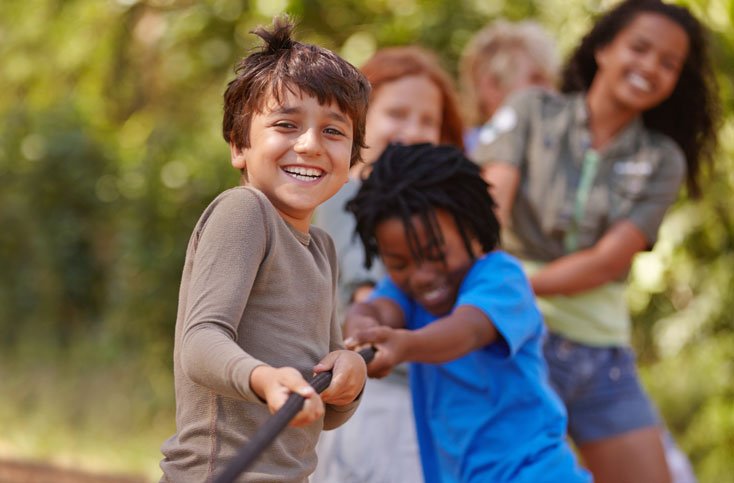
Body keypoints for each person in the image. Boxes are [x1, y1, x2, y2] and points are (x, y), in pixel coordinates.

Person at [475, 1, 719, 482]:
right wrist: (498, 288)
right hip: (514, 339)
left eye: (668, 64)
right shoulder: (531, 111)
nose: (650, 67)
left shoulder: (661, 158)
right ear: (605, 48)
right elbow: (487, 210)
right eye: (640, 48)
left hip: (599, 358)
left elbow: (608, 262)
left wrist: (516, 281)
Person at [159, 17, 371, 482]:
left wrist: (347, 378)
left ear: (353, 157)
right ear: (239, 144)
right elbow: (200, 343)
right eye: (285, 124)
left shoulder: (322, 248)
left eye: (334, 131)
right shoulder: (244, 211)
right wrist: (263, 379)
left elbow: (321, 409)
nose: (311, 144)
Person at [343, 143, 591, 483]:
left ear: (473, 230)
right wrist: (361, 332)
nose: (422, 276)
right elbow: (373, 309)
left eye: (435, 254)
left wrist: (403, 345)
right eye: (399, 263)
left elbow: (468, 330)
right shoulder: (404, 293)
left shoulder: (501, 278)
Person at [312, 46, 464, 483]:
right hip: (380, 401)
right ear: (360, 120)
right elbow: (364, 295)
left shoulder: (436, 213)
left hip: (429, 398)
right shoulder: (349, 193)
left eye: (428, 121)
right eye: (397, 113)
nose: (413, 131)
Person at [459, 20, 559, 156]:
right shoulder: (462, 155)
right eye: (536, 79)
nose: (551, 91)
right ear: (492, 86)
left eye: (551, 81)